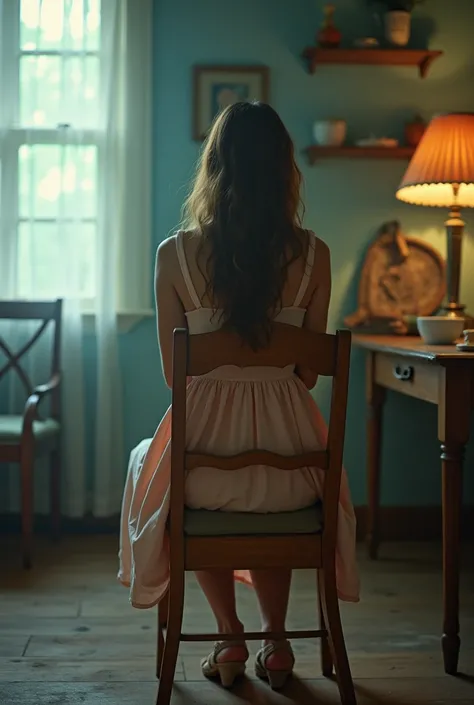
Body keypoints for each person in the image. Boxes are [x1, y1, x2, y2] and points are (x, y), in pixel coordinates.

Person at [119, 101, 359, 690]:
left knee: (161, 464)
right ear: (284, 170)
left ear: (216, 167)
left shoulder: (173, 255)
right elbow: (306, 375)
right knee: (262, 491)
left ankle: (228, 636)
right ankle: (276, 642)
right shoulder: (315, 256)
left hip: (204, 477)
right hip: (299, 478)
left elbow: (178, 380)